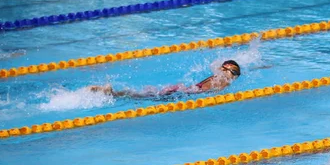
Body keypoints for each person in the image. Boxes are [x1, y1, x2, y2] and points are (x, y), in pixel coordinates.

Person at [89, 60, 241, 98]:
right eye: (234, 73)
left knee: (146, 93)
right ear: (228, 71)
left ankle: (113, 92)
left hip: (182, 88)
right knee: (142, 97)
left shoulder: (216, 75)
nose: (234, 77)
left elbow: (214, 66)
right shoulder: (224, 81)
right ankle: (112, 93)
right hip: (185, 93)